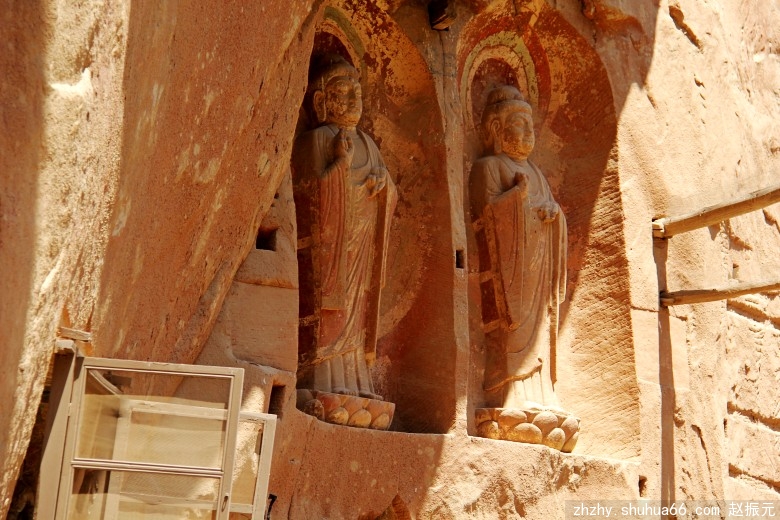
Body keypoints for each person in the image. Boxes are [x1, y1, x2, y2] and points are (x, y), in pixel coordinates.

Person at [292, 56, 396, 400]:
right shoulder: (316, 140)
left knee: (357, 310)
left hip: (362, 245)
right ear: (321, 101)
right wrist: (340, 164)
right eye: (342, 92)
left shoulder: (369, 145)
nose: (353, 101)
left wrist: (384, 187)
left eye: (357, 93)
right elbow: (311, 193)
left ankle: (357, 383)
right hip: (332, 248)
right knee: (330, 308)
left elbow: (388, 191)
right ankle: (322, 376)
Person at [470, 85, 567, 409]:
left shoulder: (537, 173)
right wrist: (516, 198)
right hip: (510, 273)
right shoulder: (489, 167)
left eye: (530, 126)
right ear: (497, 129)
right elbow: (485, 215)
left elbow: (552, 213)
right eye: (518, 124)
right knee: (509, 330)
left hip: (536, 270)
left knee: (540, 329)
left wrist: (553, 214)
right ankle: (507, 393)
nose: (528, 133)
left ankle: (540, 393)